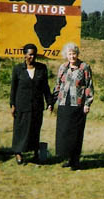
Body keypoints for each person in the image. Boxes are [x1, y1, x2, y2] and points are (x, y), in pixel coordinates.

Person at [51, 42, 94, 170]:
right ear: (66, 55)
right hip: (64, 104)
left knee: (76, 133)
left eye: (74, 53)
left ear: (77, 54)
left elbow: (89, 85)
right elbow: (58, 85)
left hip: (78, 105)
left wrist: (87, 103)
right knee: (64, 133)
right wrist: (52, 102)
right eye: (69, 54)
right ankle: (68, 158)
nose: (72, 56)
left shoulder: (84, 67)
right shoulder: (63, 67)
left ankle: (75, 161)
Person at [10, 43, 53, 165]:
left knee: (35, 129)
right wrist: (12, 105)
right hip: (22, 105)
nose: (32, 57)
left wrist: (49, 102)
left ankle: (36, 153)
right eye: (29, 55)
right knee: (20, 130)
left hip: (37, 106)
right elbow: (13, 88)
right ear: (25, 55)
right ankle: (18, 152)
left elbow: (45, 87)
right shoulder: (17, 69)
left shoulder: (42, 68)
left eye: (34, 55)